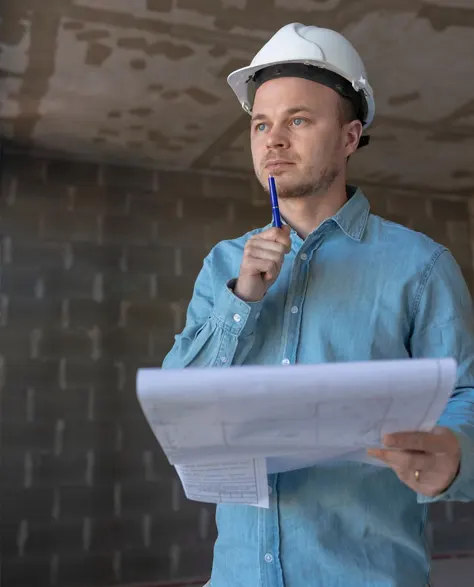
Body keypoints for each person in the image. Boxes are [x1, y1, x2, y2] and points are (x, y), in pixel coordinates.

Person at [162, 23, 474, 587]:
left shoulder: (421, 267)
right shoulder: (223, 265)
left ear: (351, 137)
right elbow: (180, 407)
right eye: (261, 124)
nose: (273, 140)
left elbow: (464, 397)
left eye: (298, 120)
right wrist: (242, 300)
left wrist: (455, 453)